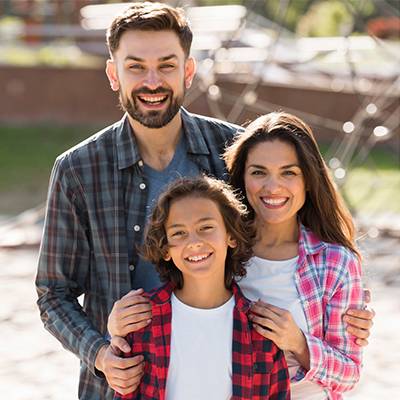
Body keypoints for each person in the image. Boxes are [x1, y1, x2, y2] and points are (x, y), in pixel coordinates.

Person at [36, 2, 373, 399]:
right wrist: (101, 355)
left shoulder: (232, 150)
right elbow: (53, 294)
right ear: (114, 74)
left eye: (166, 65)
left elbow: (284, 226)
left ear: (188, 71)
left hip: (225, 374)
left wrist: (346, 308)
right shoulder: (78, 170)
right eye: (135, 67)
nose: (152, 80)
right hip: (118, 385)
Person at [222, 111, 364, 399]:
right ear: (242, 177)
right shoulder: (220, 250)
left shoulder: (335, 262)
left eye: (289, 172)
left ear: (308, 180)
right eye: (259, 172)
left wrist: (298, 342)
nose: (273, 187)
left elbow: (349, 374)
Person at [113, 176, 290, 399]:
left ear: (231, 236)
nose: (194, 242)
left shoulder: (260, 330)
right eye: (179, 233)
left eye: (206, 227)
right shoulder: (141, 321)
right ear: (166, 249)